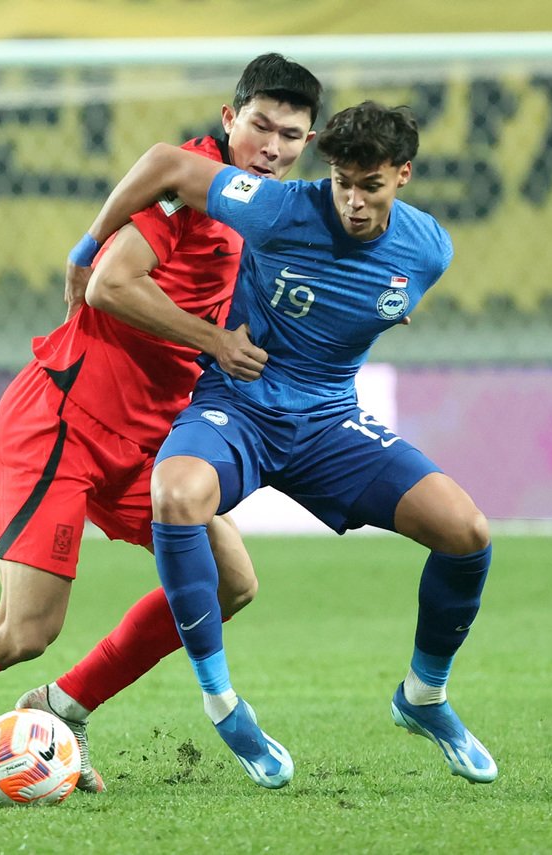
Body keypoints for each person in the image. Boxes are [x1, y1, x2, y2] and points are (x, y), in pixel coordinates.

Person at [0, 54, 323, 793]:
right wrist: (212, 340)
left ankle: (64, 705)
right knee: (25, 631)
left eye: (290, 135)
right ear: (230, 120)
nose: (270, 146)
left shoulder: (262, 208)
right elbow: (111, 285)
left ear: (306, 144)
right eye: (259, 126)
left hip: (147, 441)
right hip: (64, 422)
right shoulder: (191, 191)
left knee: (229, 580)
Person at [68, 101, 497, 789]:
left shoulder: (431, 249)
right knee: (175, 493)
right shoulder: (274, 207)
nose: (354, 201)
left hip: (329, 425)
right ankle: (222, 703)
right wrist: (88, 249)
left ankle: (424, 697)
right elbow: (167, 165)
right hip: (238, 404)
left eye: (372, 186)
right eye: (343, 181)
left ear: (404, 176)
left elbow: (393, 292)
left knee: (466, 530)